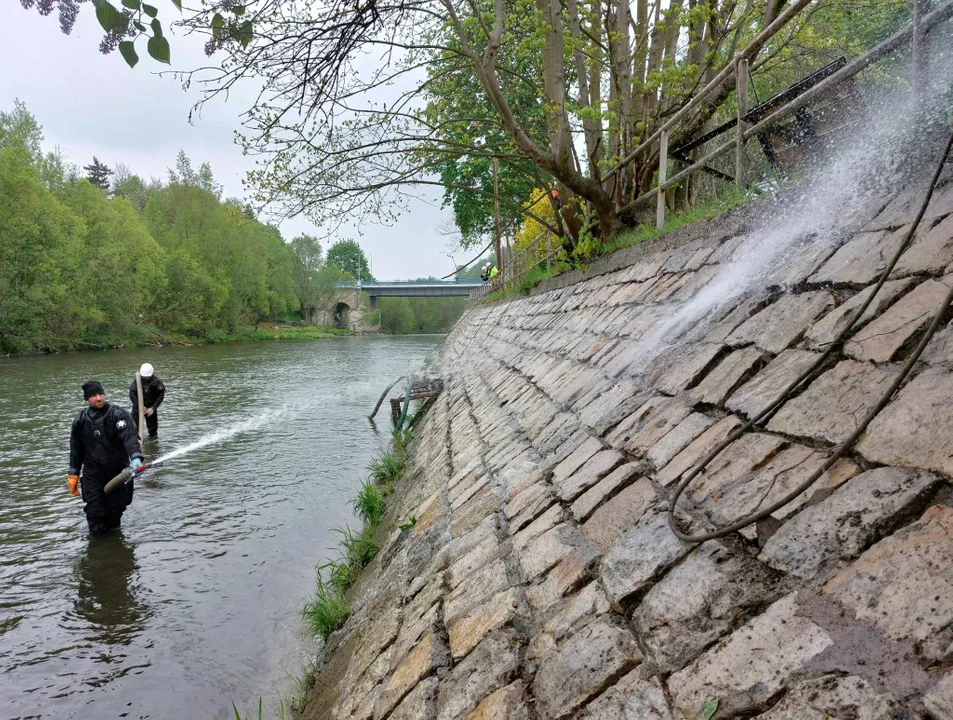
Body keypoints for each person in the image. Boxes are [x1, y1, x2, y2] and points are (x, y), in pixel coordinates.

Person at [68, 380, 143, 534]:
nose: (99, 398)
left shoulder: (119, 415)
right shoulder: (80, 420)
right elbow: (76, 449)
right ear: (87, 398)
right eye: (94, 395)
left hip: (117, 473)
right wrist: (74, 472)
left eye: (101, 394)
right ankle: (97, 550)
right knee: (95, 514)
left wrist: (136, 457)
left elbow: (130, 438)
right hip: (93, 473)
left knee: (114, 515)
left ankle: (114, 551)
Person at [129, 363, 165, 437]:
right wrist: (140, 406)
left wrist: (153, 408)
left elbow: (160, 396)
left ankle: (152, 445)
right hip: (138, 406)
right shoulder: (137, 380)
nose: (146, 377)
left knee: (153, 429)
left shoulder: (156, 382)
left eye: (148, 376)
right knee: (134, 427)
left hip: (150, 406)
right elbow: (132, 394)